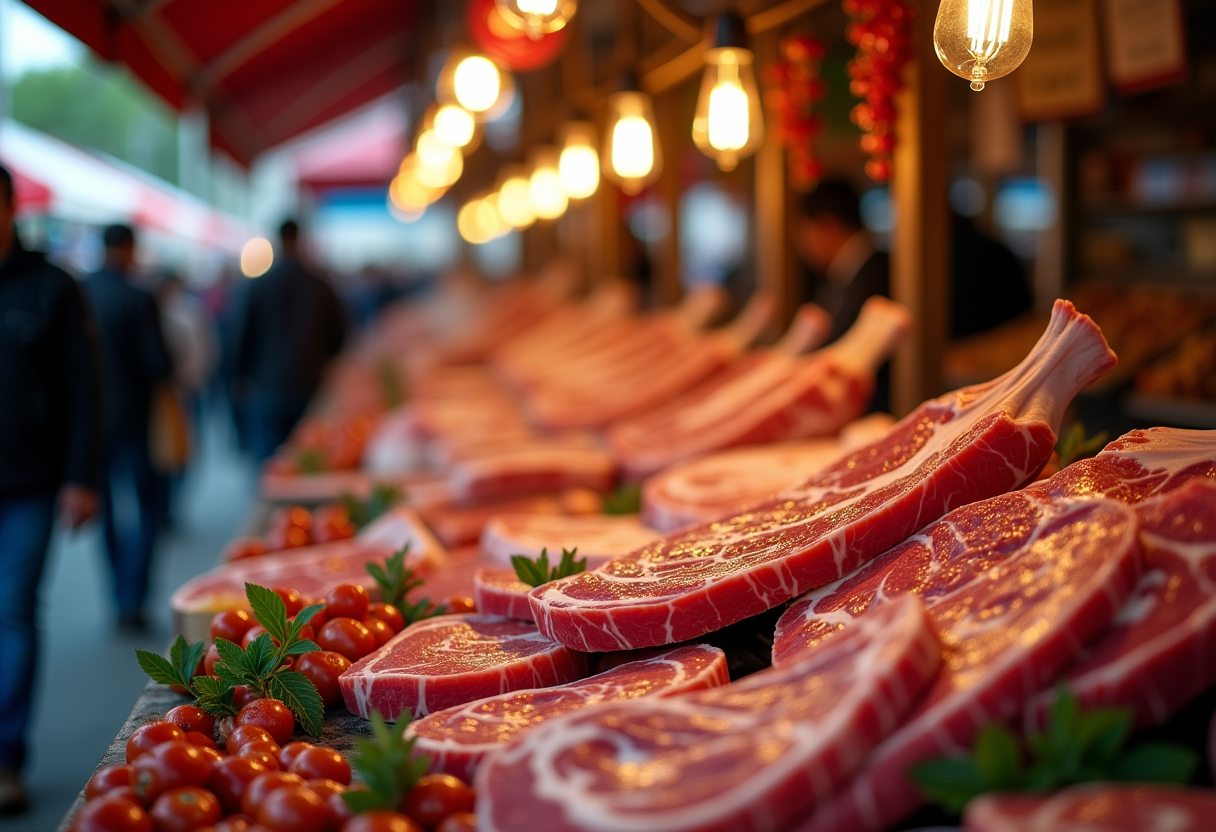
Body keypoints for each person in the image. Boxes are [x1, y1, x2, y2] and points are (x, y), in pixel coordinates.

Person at [0, 164, 103, 814]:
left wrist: (81, 478)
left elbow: (84, 388)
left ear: (8, 208)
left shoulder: (53, 288)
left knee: (11, 611)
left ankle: (6, 758)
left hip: (32, 483)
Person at [84, 224, 173, 631]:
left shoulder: (81, 291)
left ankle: (117, 593)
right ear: (129, 248)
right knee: (148, 507)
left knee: (106, 511)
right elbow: (158, 364)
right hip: (136, 418)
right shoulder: (138, 297)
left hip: (92, 423)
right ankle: (134, 596)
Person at [234, 220, 346, 462]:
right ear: (300, 239)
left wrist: (240, 376)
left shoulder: (258, 286)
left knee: (271, 460)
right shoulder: (319, 285)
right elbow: (339, 336)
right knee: (310, 456)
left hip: (267, 385)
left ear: (277, 241)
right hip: (309, 382)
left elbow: (243, 335)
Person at [793, 177, 890, 410]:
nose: (802, 245)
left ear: (828, 226)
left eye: (804, 232)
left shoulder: (875, 274)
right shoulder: (850, 270)